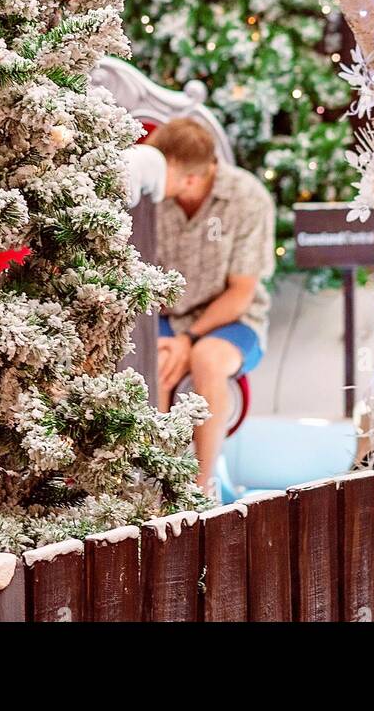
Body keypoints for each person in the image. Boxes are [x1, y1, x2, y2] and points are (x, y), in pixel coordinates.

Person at [143, 117, 275, 494]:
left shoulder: (247, 199)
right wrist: (173, 337)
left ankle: (202, 487)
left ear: (189, 179)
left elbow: (242, 292)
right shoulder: (149, 197)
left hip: (232, 318)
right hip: (164, 313)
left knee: (207, 360)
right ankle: (157, 488)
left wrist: (190, 339)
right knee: (155, 361)